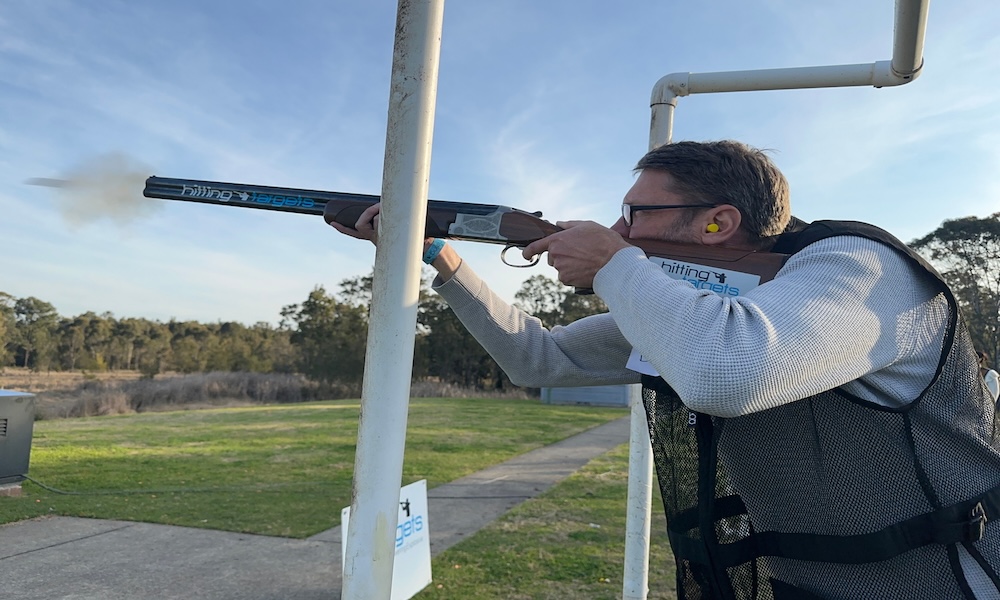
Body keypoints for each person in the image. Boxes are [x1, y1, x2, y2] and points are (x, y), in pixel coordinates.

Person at [331, 140, 1000, 599]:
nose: (621, 232)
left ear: (718, 224)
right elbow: (539, 359)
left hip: (953, 580)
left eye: (636, 213)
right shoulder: (695, 308)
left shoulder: (857, 267)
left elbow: (730, 374)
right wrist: (442, 257)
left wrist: (613, 267)